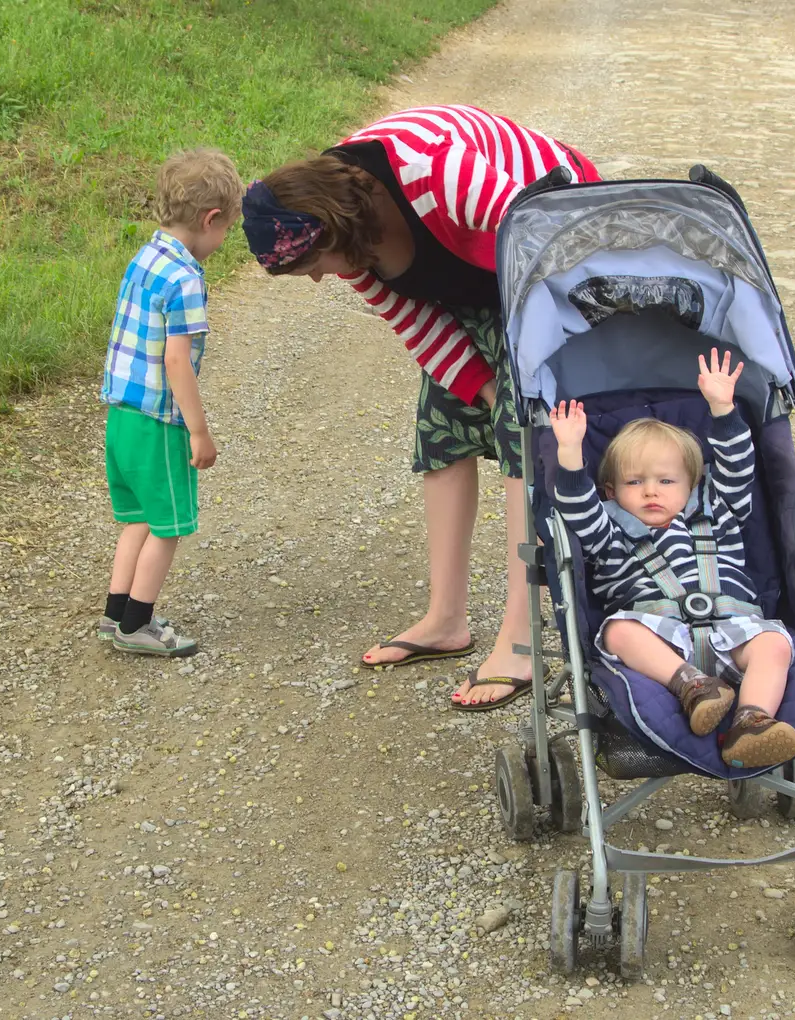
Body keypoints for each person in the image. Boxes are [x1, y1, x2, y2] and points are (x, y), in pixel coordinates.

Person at [241, 105, 598, 710]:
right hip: (485, 279)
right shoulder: (350, 238)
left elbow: (553, 239)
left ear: (330, 230)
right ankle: (445, 619)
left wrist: (513, 400)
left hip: (557, 258)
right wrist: (483, 389)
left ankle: (522, 637)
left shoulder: (433, 171)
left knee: (522, 435)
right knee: (443, 428)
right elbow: (421, 326)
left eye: (312, 265)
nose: (316, 280)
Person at [549, 350, 795, 768]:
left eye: (666, 481)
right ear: (610, 491)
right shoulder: (610, 531)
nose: (651, 492)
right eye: (635, 482)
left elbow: (739, 470)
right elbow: (577, 510)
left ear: (693, 484)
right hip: (659, 636)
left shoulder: (718, 512)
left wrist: (722, 408)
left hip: (732, 629)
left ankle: (750, 720)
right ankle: (693, 687)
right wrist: (570, 452)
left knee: (773, 643)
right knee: (618, 633)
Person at [98, 148, 243, 657]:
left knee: (137, 516)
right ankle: (137, 625)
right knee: (168, 526)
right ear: (211, 219)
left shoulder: (147, 257)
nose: (224, 241)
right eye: (227, 230)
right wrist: (198, 431)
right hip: (159, 422)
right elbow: (177, 362)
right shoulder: (185, 279)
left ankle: (116, 612)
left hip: (121, 415)